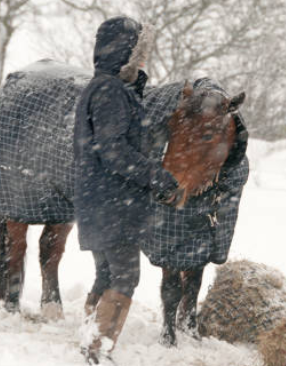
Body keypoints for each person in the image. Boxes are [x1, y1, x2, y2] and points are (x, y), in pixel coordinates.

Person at [73, 16, 181, 364]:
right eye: (139, 53)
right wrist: (158, 176)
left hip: (99, 199)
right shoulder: (110, 92)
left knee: (106, 273)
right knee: (125, 275)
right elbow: (114, 150)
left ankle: (90, 341)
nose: (144, 60)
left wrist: (134, 87)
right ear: (125, 52)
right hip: (112, 202)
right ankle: (98, 348)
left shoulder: (104, 87)